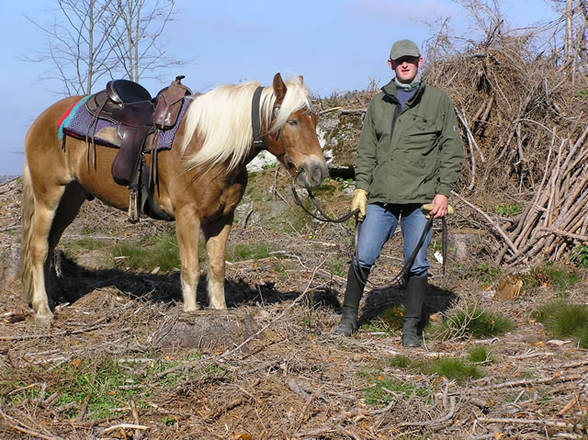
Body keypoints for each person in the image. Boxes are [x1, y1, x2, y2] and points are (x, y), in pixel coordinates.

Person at [334, 39, 464, 347]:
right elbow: (365, 151)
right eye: (399, 61)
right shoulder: (379, 103)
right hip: (381, 197)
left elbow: (451, 150)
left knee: (417, 263)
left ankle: (411, 330)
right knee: (363, 255)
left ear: (419, 62)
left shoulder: (438, 101)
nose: (405, 65)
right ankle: (349, 318)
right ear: (391, 65)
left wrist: (443, 192)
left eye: (410, 60)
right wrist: (361, 188)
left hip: (422, 201)